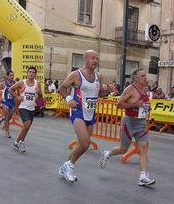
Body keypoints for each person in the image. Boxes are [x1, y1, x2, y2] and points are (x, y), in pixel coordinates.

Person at [58, 50, 113, 183]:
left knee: (81, 144)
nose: (95, 61)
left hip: (90, 112)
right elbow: (62, 88)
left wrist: (108, 91)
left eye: (97, 59)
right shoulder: (76, 75)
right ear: (86, 59)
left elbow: (99, 93)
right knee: (85, 142)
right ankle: (70, 166)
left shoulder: (99, 76)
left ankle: (64, 166)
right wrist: (69, 99)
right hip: (77, 111)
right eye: (93, 58)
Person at [99, 68, 155, 186]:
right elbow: (119, 104)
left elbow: (144, 104)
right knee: (123, 149)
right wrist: (134, 104)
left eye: (145, 75)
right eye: (142, 76)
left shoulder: (145, 89)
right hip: (129, 122)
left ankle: (143, 176)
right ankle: (107, 154)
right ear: (135, 78)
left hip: (141, 123)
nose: (145, 78)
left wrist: (147, 107)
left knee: (143, 149)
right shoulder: (130, 89)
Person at [9, 67, 43, 153]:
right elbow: (10, 89)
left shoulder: (37, 83)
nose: (31, 74)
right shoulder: (22, 82)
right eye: (30, 72)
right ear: (27, 73)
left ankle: (16, 142)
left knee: (26, 127)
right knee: (27, 124)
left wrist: (39, 93)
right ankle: (22, 142)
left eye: (33, 72)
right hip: (23, 107)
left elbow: (40, 97)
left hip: (32, 108)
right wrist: (17, 97)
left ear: (35, 74)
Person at [0, 71, 16, 138]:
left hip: (11, 102)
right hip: (5, 101)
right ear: (7, 76)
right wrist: (0, 97)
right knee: (7, 116)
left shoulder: (15, 84)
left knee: (9, 117)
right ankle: (7, 132)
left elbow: (18, 92)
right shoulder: (3, 84)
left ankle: (2, 118)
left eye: (13, 75)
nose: (12, 77)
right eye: (10, 75)